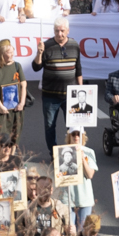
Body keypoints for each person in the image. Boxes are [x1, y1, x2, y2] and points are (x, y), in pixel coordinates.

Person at [30, 17, 83, 150]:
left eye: (62, 31)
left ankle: (72, 153)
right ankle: (54, 153)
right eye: (57, 31)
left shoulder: (74, 45)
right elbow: (36, 67)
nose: (60, 34)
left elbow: (78, 69)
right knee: (49, 126)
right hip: (50, 95)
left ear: (68, 30)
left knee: (73, 127)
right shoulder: (46, 46)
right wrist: (39, 53)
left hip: (70, 96)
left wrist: (81, 89)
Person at [0, 38, 25, 146]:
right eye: (9, 52)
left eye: (12, 51)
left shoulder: (17, 66)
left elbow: (23, 85)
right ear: (2, 54)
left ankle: (11, 157)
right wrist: (0, 106)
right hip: (0, 109)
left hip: (16, 108)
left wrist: (22, 103)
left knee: (14, 136)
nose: (12, 54)